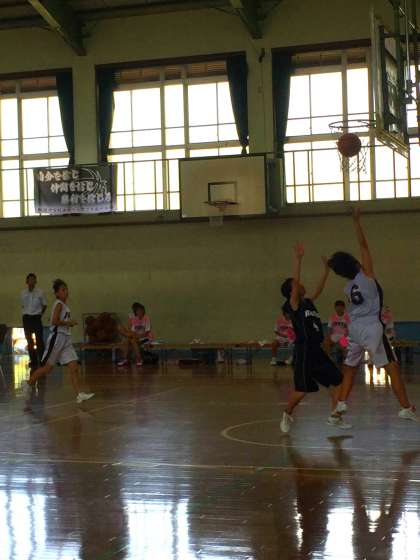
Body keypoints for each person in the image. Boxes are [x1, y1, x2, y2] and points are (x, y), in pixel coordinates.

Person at [328, 208, 416, 421]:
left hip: (354, 329)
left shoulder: (349, 287)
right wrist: (356, 221)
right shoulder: (366, 275)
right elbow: (364, 245)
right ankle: (406, 407)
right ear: (355, 263)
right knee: (392, 367)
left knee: (350, 367)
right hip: (371, 328)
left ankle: (340, 405)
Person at [279, 242, 349, 434]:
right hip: (304, 351)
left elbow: (319, 288)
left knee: (338, 381)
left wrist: (326, 271)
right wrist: (298, 259)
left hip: (317, 350)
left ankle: (335, 417)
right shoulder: (294, 305)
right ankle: (287, 413)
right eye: (296, 285)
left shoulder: (308, 302)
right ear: (292, 291)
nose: (301, 285)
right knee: (301, 391)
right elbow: (295, 282)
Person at [21, 279, 94, 405]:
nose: (66, 292)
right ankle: (28, 383)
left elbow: (61, 321)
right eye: (63, 290)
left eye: (66, 289)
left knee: (74, 367)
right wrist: (68, 323)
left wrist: (68, 324)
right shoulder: (59, 304)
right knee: (47, 368)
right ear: (57, 293)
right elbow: (54, 321)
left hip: (66, 339)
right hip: (57, 338)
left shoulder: (65, 306)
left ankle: (79, 394)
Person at [21, 273, 47, 369]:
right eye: (30, 279)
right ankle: (33, 361)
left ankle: (42, 360)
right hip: (27, 318)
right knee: (29, 340)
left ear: (36, 281)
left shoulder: (40, 292)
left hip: (36, 318)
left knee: (39, 339)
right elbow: (23, 306)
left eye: (33, 279)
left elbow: (44, 305)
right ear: (26, 281)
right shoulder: (23, 293)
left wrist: (39, 314)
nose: (31, 281)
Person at [117, 302, 153, 367]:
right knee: (125, 335)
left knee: (130, 340)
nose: (140, 312)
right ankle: (127, 359)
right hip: (133, 335)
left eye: (141, 310)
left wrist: (137, 336)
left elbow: (147, 333)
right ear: (135, 312)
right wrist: (132, 334)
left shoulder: (146, 318)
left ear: (143, 311)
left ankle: (136, 359)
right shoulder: (132, 317)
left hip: (144, 338)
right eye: (138, 311)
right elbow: (129, 329)